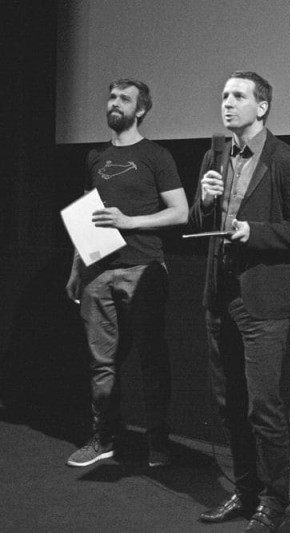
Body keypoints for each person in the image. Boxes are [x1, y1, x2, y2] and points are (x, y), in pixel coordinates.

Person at [189, 71, 290, 533]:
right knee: (229, 403)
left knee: (263, 406)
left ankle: (273, 501)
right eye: (223, 94)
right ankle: (244, 492)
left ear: (261, 107)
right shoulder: (215, 155)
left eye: (238, 96)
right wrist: (204, 201)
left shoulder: (287, 161)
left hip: (263, 300)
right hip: (220, 293)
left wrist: (254, 233)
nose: (227, 103)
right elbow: (198, 221)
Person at [65, 79, 188, 468]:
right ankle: (104, 438)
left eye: (125, 99)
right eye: (112, 97)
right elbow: (89, 213)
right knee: (102, 363)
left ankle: (158, 442)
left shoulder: (156, 155)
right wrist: (76, 267)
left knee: (150, 359)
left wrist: (129, 221)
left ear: (141, 110)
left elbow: (180, 211)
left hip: (143, 269)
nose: (114, 103)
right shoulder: (94, 157)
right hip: (97, 273)